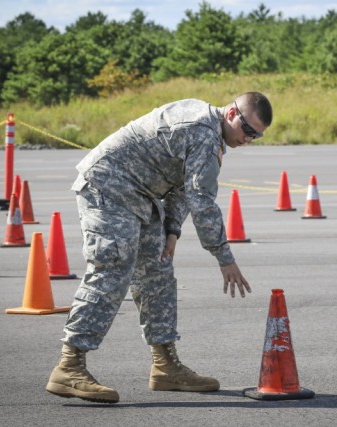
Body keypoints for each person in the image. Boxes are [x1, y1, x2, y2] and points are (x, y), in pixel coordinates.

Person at [45, 92, 273, 403]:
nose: (249, 139)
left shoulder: (212, 132)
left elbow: (180, 184)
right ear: (232, 112)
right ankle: (68, 366)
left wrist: (172, 229)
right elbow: (201, 201)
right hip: (109, 186)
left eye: (257, 136)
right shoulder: (204, 132)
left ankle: (166, 366)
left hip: (140, 195)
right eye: (248, 130)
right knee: (112, 270)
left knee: (158, 274)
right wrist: (224, 257)